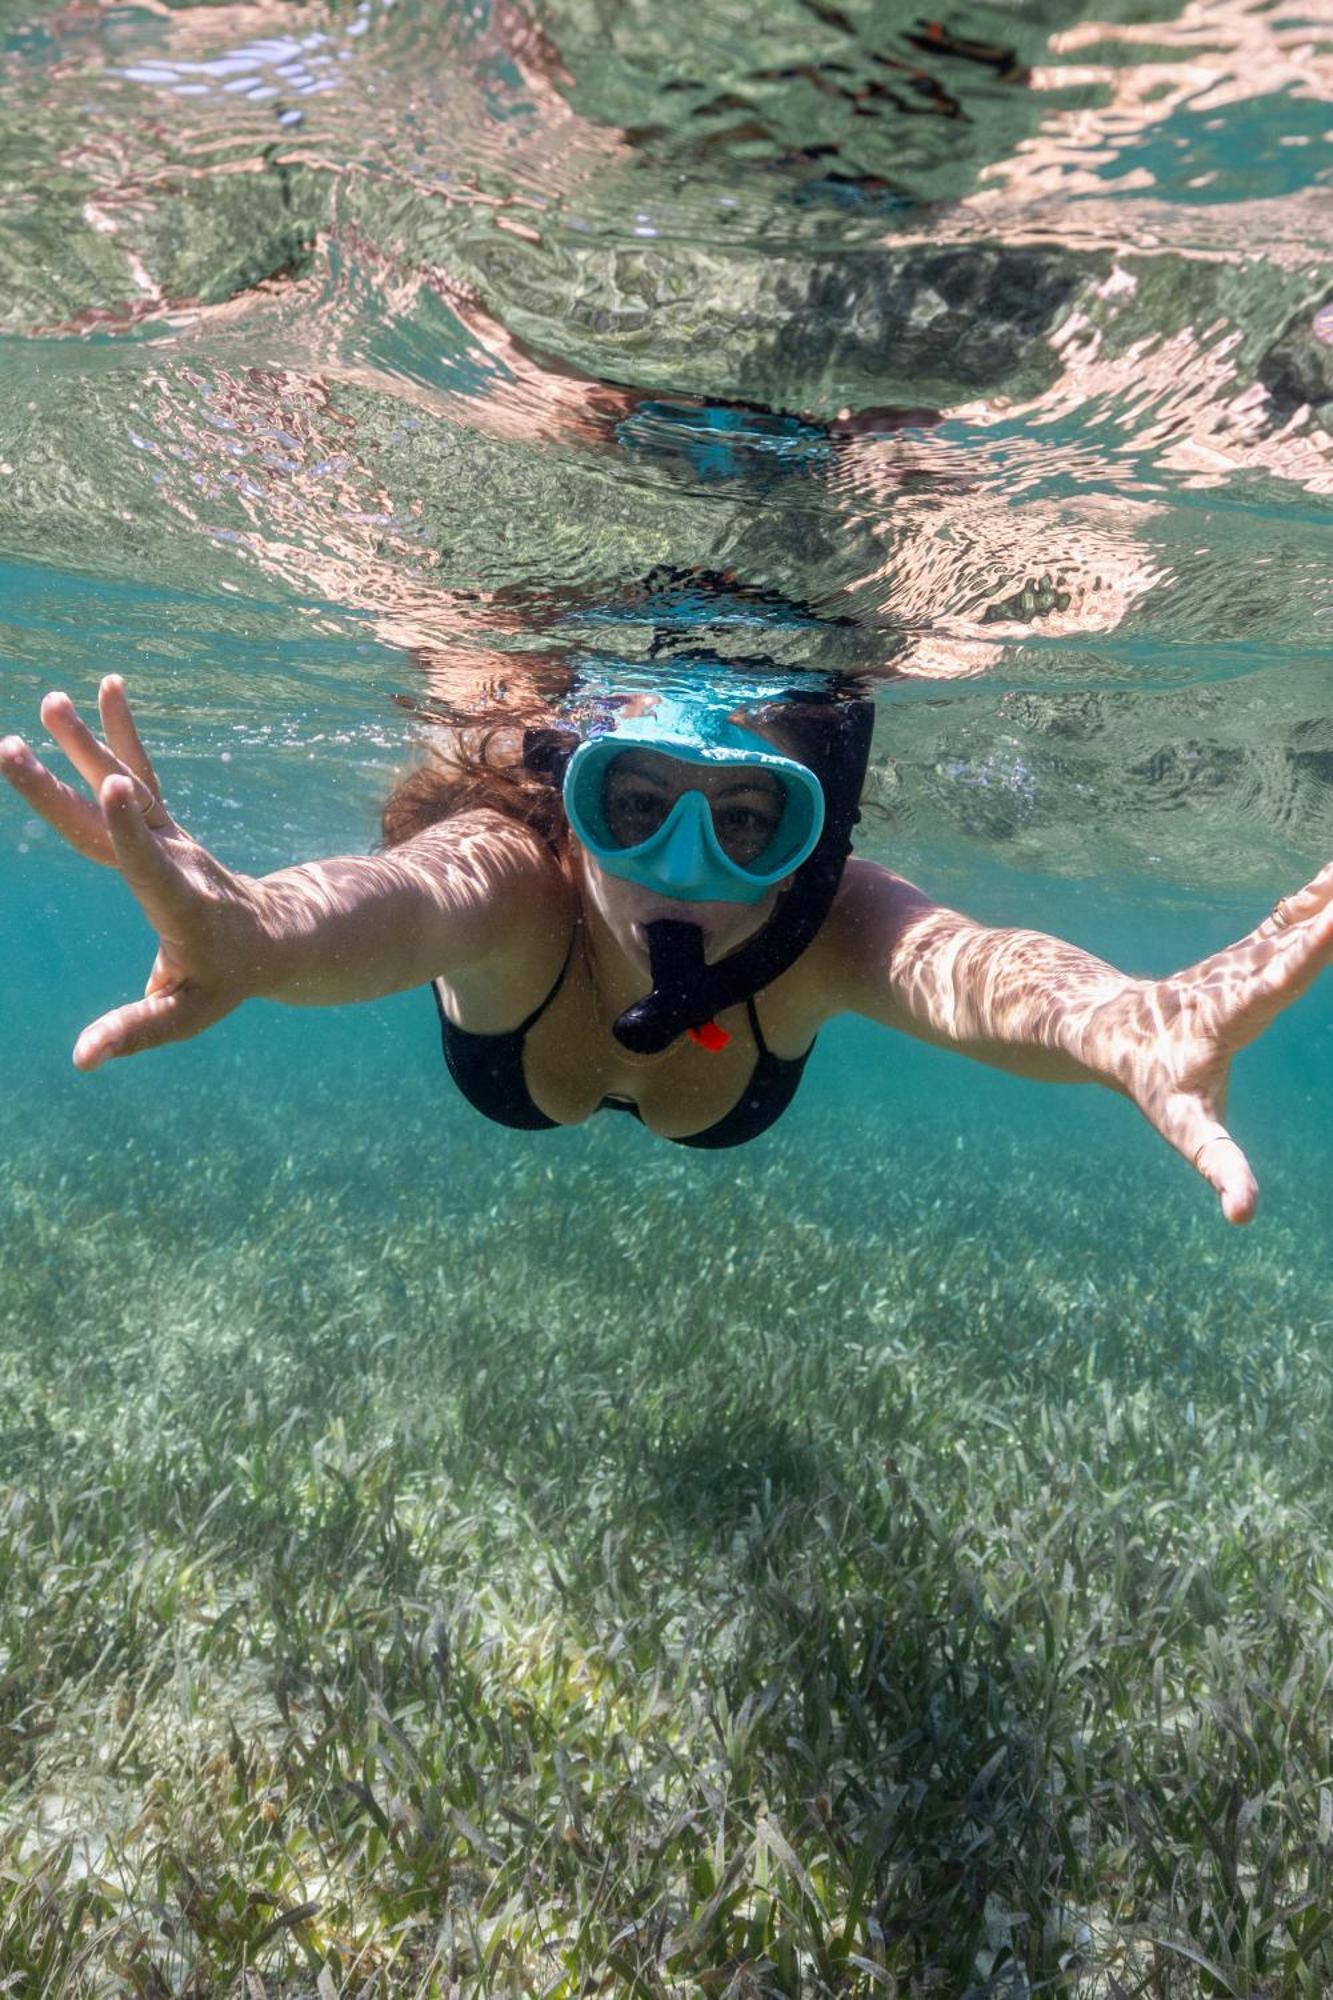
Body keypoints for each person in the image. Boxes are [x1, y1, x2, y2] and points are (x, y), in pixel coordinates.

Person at [3, 673, 1330, 1219]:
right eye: (634, 810)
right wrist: (260, 933)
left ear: (806, 843)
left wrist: (1123, 1025)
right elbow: (404, 902)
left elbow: (964, 968)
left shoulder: (823, 929)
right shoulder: (517, 885)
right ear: (572, 820)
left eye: (750, 820)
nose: (685, 869)